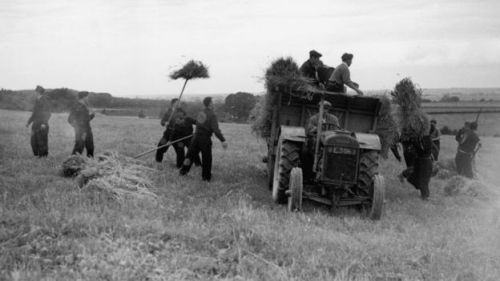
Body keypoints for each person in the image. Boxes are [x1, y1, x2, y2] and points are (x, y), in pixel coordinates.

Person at [180, 97, 227, 181]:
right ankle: (206, 177)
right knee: (206, 158)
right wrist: (223, 140)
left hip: (195, 138)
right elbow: (216, 130)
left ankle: (183, 172)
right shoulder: (212, 115)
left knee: (189, 156)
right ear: (209, 104)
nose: (213, 103)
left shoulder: (201, 112)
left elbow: (198, 123)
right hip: (205, 139)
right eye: (212, 102)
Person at [303, 100, 340, 181]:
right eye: (323, 108)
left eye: (326, 108)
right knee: (305, 153)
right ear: (319, 108)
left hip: (329, 142)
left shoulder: (334, 119)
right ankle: (308, 175)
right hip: (315, 141)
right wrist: (316, 129)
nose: (324, 110)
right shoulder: (313, 119)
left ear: (329, 109)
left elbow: (336, 130)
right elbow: (309, 130)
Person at [400, 128, 433, 200]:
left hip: (425, 162)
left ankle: (425, 197)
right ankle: (424, 195)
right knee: (414, 179)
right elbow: (418, 147)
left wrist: (413, 141)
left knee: (424, 180)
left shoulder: (427, 139)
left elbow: (421, 149)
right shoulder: (421, 138)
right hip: (419, 161)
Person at [155, 98, 185, 163]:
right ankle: (158, 161)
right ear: (173, 104)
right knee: (160, 146)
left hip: (178, 135)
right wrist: (165, 123)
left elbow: (185, 121)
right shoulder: (168, 112)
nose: (179, 104)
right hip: (167, 134)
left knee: (180, 150)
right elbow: (162, 122)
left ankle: (180, 166)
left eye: (179, 103)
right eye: (178, 103)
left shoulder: (182, 112)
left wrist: (180, 122)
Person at [25, 85, 51, 157]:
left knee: (42, 141)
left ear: (38, 92)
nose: (35, 93)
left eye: (36, 91)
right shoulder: (37, 100)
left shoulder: (45, 100)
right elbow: (34, 114)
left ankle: (43, 156)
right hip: (35, 124)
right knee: (33, 141)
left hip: (42, 124)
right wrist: (28, 122)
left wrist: (44, 123)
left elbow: (48, 113)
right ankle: (38, 155)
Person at [68, 91, 95, 157]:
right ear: (84, 97)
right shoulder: (78, 106)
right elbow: (70, 119)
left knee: (90, 147)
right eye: (87, 97)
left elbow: (84, 120)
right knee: (79, 147)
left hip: (86, 129)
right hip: (82, 131)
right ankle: (72, 162)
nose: (88, 98)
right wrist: (78, 127)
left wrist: (92, 115)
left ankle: (90, 163)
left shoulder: (83, 106)